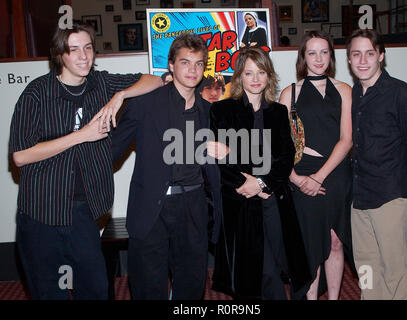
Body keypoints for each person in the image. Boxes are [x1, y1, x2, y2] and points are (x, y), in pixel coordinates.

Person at [8, 23, 162, 300]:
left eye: (88, 48)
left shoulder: (101, 83)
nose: (83, 56)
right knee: (49, 293)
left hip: (84, 211)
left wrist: (120, 95)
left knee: (95, 290)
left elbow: (156, 81)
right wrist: (81, 136)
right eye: (74, 49)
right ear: (60, 55)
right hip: (42, 211)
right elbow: (21, 155)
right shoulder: (36, 93)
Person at [111, 33, 223, 300]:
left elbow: (217, 164)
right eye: (185, 63)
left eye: (198, 63)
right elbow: (110, 150)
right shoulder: (145, 104)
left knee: (192, 284)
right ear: (171, 65)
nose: (193, 70)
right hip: (151, 208)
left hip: (194, 206)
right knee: (149, 287)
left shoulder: (210, 112)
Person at [210, 47, 311, 300]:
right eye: (249, 73)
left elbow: (285, 157)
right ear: (239, 77)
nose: (255, 78)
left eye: (261, 72)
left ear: (269, 76)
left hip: (272, 200)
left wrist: (263, 184)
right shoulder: (221, 111)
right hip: (240, 202)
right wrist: (249, 184)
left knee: (275, 264)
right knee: (254, 271)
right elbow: (218, 159)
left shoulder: (277, 112)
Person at [346, 29, 407, 300]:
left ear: (381, 55)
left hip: (391, 196)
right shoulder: (353, 95)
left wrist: (400, 179)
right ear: (348, 59)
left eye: (369, 53)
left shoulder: (400, 93)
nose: (362, 60)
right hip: (359, 199)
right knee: (366, 267)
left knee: (395, 271)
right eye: (356, 54)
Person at [279, 30, 353, 300]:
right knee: (311, 245)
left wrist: (319, 177)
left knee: (335, 242)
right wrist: (296, 178)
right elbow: (280, 146)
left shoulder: (345, 90)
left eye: (324, 52)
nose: (318, 58)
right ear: (303, 57)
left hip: (335, 174)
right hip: (301, 175)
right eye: (312, 52)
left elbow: (346, 140)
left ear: (331, 56)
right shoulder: (290, 93)